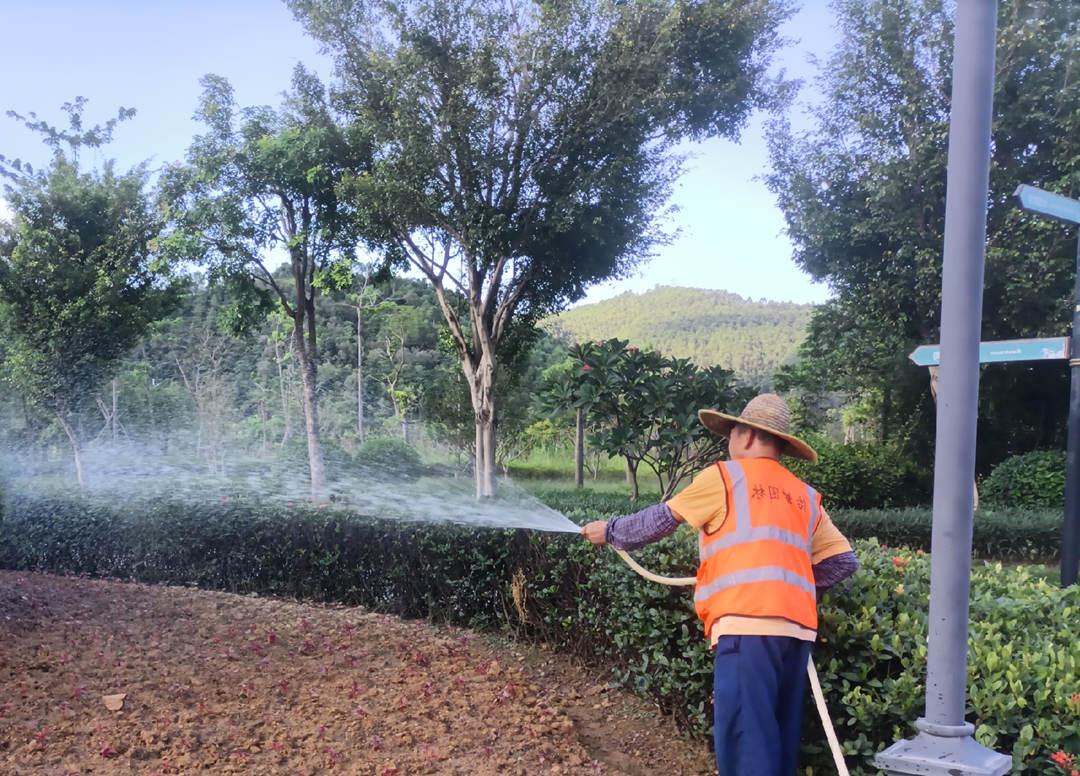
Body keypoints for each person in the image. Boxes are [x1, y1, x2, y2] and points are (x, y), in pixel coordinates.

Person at [581, 393, 858, 776]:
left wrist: (609, 531)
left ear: (745, 436)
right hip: (796, 634)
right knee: (776, 743)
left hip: (747, 631)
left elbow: (661, 520)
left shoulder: (724, 478)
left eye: (731, 433)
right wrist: (788, 587)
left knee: (746, 743)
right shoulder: (805, 496)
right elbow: (843, 561)